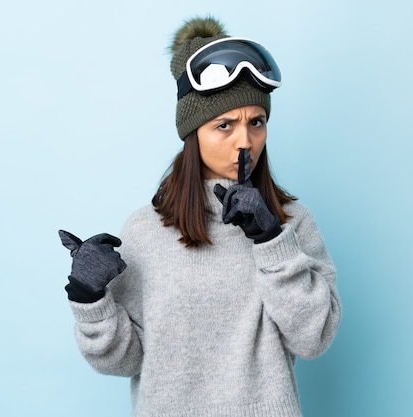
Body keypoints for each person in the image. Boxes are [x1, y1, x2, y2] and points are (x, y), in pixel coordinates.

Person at [59, 16, 341, 417]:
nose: (245, 141)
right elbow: (123, 361)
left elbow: (314, 337)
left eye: (256, 122)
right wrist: (89, 299)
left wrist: (272, 241)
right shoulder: (144, 231)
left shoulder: (292, 222)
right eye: (224, 125)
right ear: (194, 132)